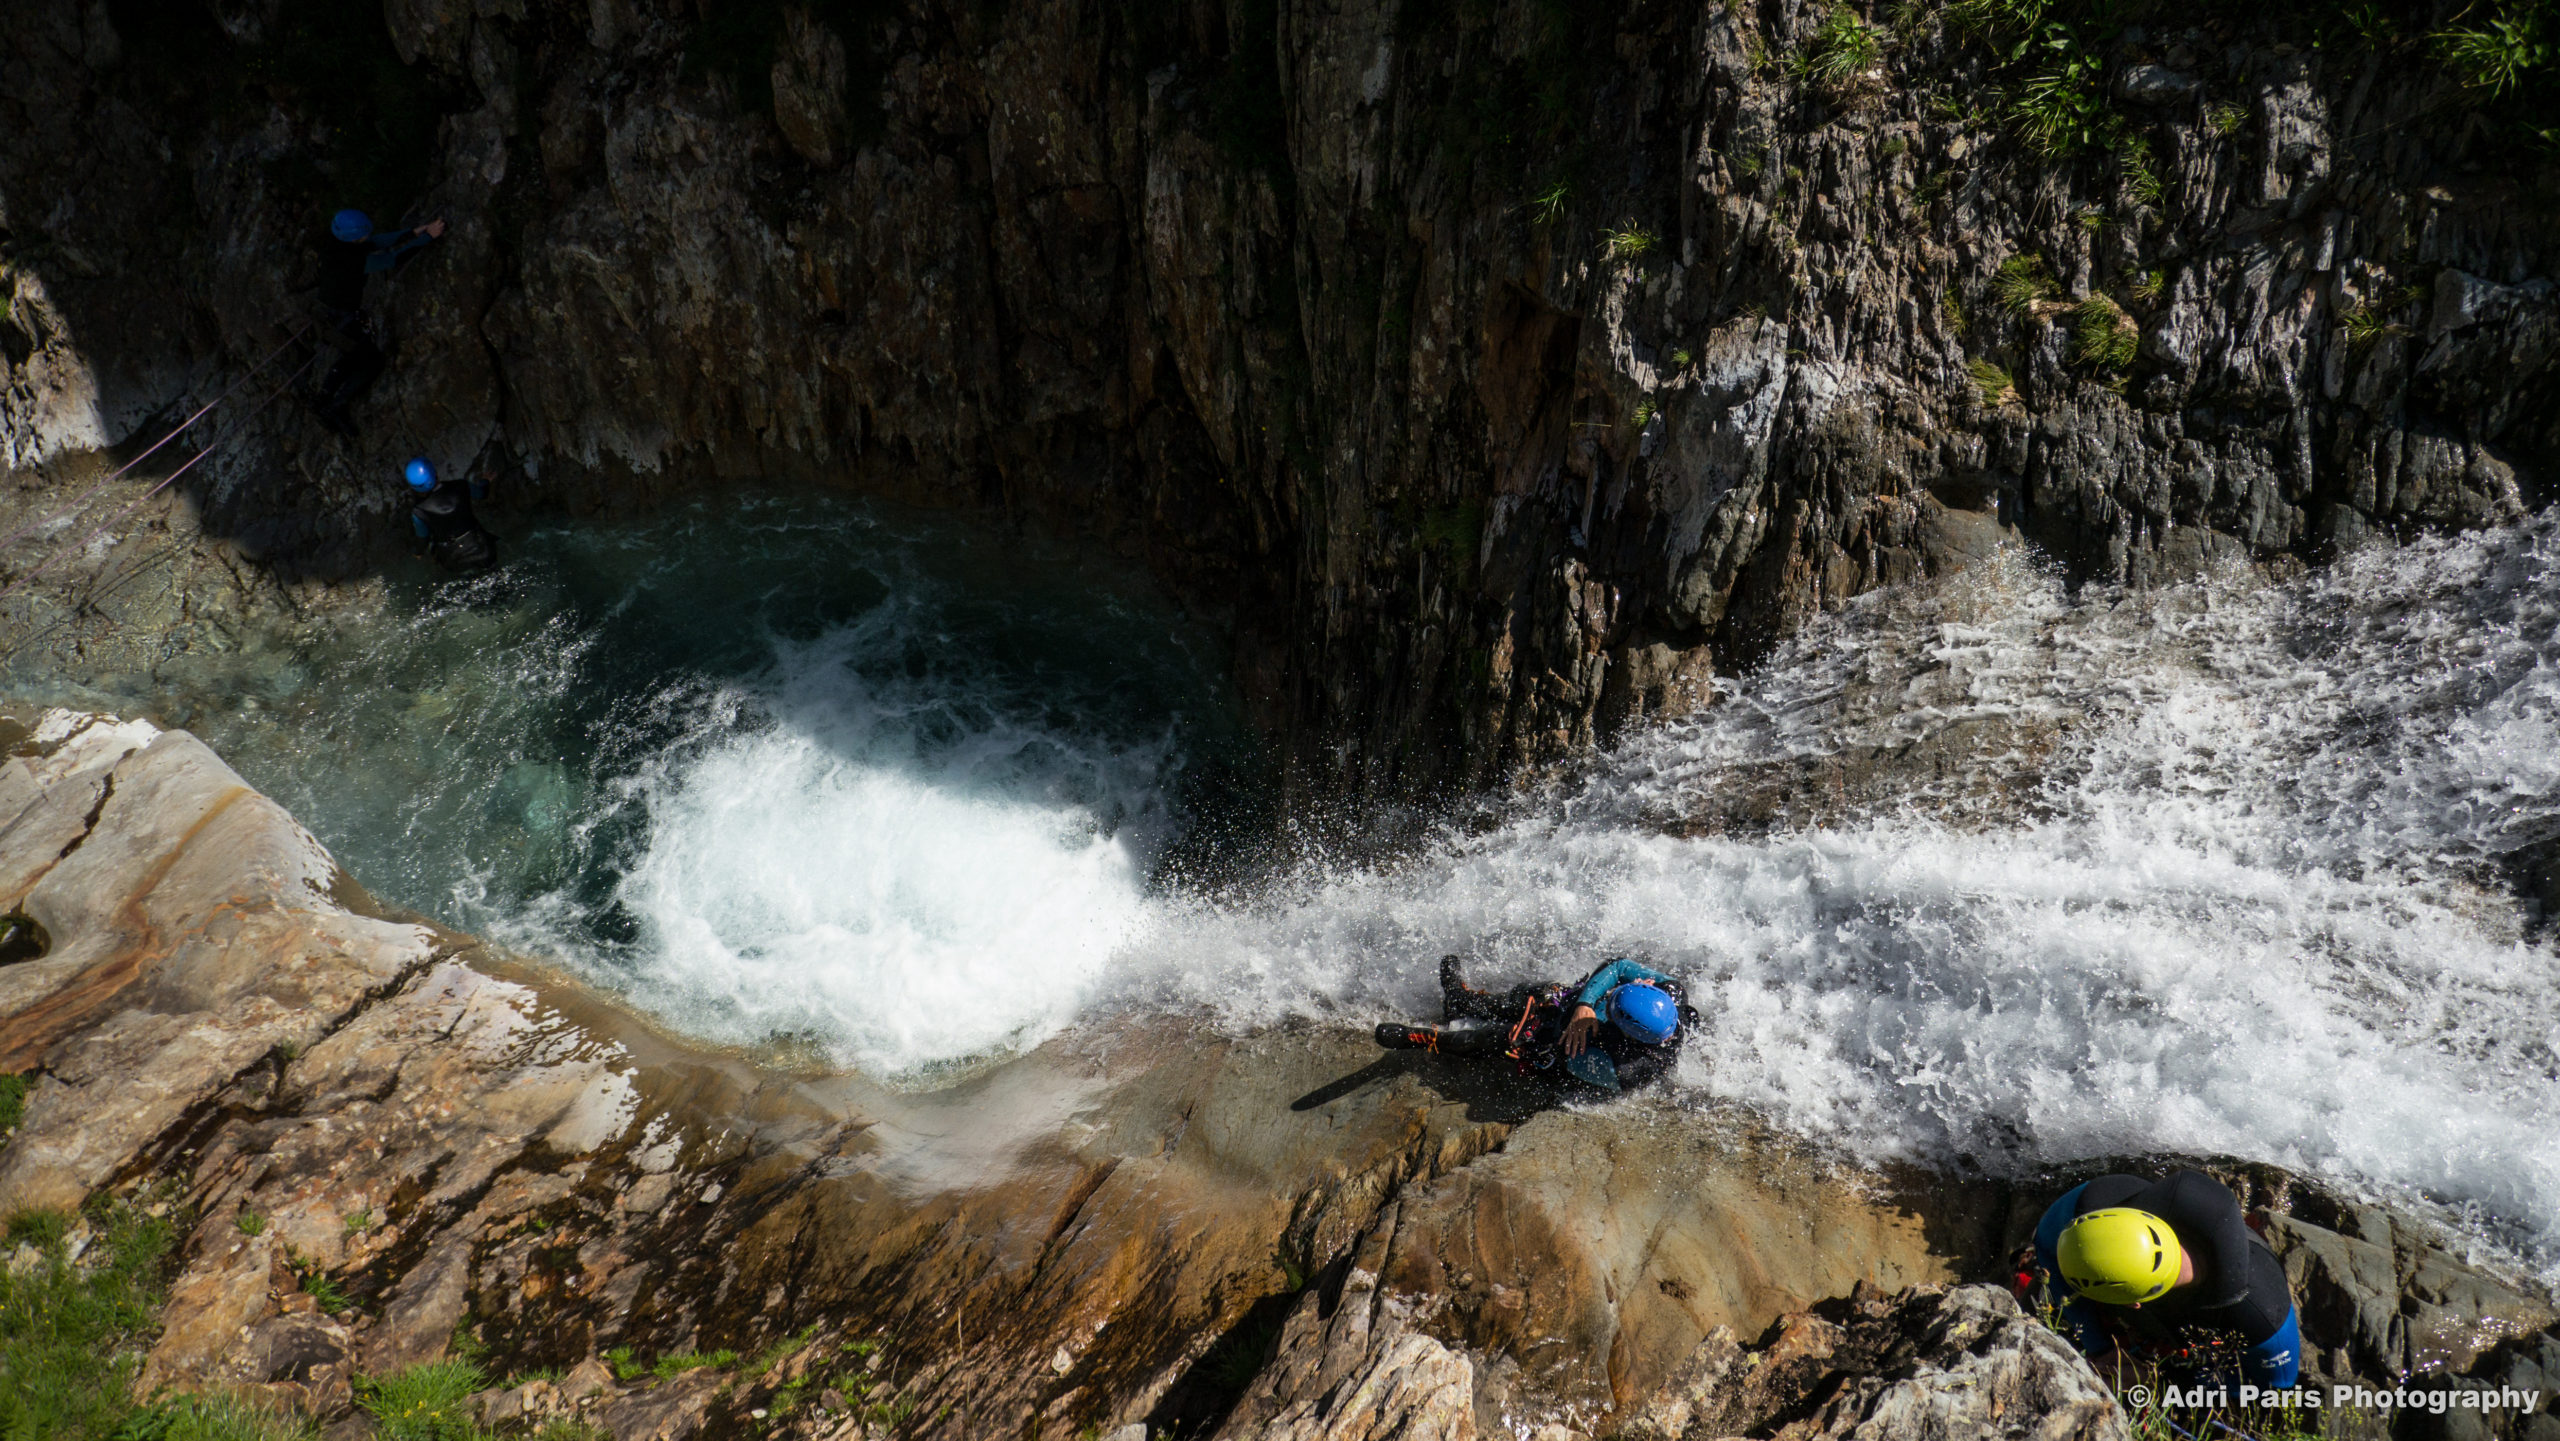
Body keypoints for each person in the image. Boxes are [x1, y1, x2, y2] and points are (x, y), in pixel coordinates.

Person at [2023, 1169, 2302, 1389]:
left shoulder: (2260, 1314)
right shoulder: (2098, 1201)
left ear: (2133, 1304)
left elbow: (2269, 1390)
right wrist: (2103, 1348)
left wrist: (2170, 1388)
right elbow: (2049, 1246)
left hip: (2206, 1343)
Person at [1373, 955, 1692, 1092]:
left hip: (1569, 1065)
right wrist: (1585, 1004)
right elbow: (1618, 966)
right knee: (1543, 993)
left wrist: (1562, 1023)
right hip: (1589, 1027)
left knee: (1512, 1039)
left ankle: (1428, 1039)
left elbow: (1569, 1058)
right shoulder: (1671, 993)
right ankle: (1461, 1001)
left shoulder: (1625, 1068)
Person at [305, 208, 447, 436]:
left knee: (352, 355)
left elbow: (373, 243)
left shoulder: (335, 244)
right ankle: (334, 406)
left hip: (328, 312)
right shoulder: (352, 261)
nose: (366, 238)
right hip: (342, 316)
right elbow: (392, 258)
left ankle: (322, 398)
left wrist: (414, 232)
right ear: (353, 238)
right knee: (371, 361)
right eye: (362, 235)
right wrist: (428, 237)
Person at [403, 456, 496, 572]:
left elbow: (423, 538)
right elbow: (481, 494)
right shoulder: (461, 486)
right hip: (480, 545)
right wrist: (485, 481)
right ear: (434, 473)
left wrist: (418, 553)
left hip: (453, 557)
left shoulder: (419, 512)